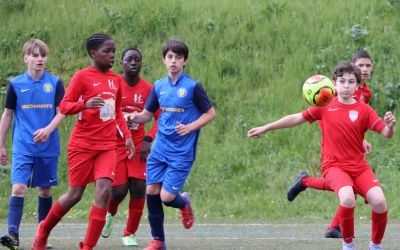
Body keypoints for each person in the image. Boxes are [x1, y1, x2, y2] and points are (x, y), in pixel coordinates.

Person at [248, 61, 395, 250]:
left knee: (380, 202)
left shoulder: (364, 110)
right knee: (348, 198)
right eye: (342, 81)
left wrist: (390, 126)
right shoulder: (325, 106)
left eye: (351, 82)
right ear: (333, 84)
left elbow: (386, 134)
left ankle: (375, 246)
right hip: (334, 166)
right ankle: (348, 245)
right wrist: (266, 127)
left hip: (359, 167)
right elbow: (296, 118)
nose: (346, 86)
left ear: (358, 85)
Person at [32, 33, 135, 250]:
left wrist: (127, 137)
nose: (112, 55)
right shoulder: (82, 77)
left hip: (107, 146)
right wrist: (85, 104)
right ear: (93, 53)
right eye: (107, 51)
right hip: (82, 145)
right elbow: (65, 106)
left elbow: (116, 112)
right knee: (74, 195)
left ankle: (87, 246)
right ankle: (43, 231)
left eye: (113, 51)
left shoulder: (116, 79)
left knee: (105, 190)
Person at [125, 38, 216, 250]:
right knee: (151, 190)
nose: (173, 61)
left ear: (185, 61)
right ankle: (158, 240)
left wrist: (191, 127)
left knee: (167, 196)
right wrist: (132, 117)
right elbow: (147, 115)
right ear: (164, 60)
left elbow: (210, 113)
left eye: (178, 57)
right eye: (170, 57)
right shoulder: (158, 86)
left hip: (182, 152)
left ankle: (183, 202)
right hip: (159, 148)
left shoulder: (192, 87)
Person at [287, 50, 375, 239]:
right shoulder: (340, 88)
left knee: (350, 187)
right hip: (334, 140)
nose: (365, 69)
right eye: (361, 65)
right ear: (353, 67)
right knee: (347, 185)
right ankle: (335, 226)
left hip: (350, 144)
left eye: (368, 65)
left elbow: (357, 119)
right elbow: (328, 112)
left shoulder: (365, 92)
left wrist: (361, 140)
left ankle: (334, 225)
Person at [0, 38, 65, 250]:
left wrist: (47, 130)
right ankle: (13, 235)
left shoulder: (54, 83)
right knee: (18, 188)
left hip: (47, 147)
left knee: (44, 191)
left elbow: (61, 112)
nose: (40, 59)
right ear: (25, 58)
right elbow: (7, 115)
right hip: (22, 147)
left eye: (43, 55)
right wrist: (0, 145)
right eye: (35, 55)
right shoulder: (15, 84)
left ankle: (41, 238)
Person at [100, 47, 159, 246]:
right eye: (129, 59)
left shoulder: (149, 89)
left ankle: (129, 233)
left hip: (138, 146)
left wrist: (148, 139)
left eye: (137, 59)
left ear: (141, 63)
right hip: (115, 144)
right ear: (121, 63)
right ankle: (109, 213)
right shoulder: (113, 84)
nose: (133, 63)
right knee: (118, 191)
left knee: (139, 187)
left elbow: (160, 118)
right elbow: (106, 114)